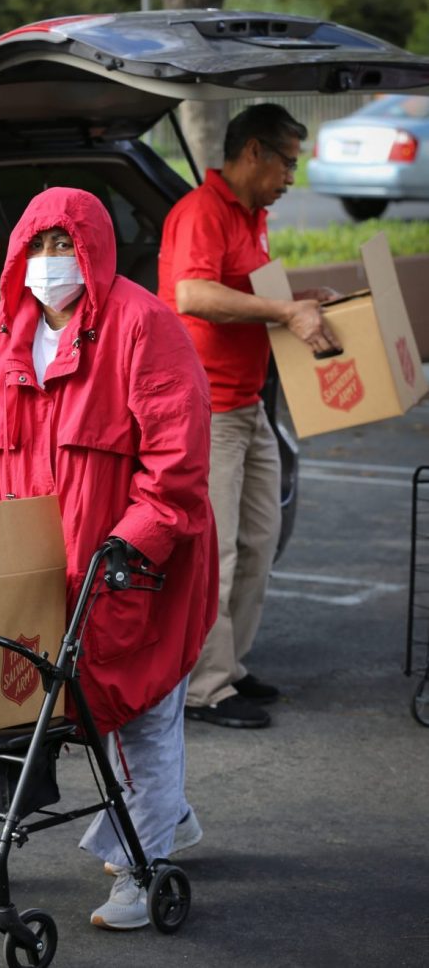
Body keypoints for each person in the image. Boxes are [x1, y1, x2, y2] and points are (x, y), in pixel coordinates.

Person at [0, 185, 218, 930]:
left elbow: (176, 466)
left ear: (93, 251)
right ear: (18, 253)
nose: (51, 262)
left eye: (64, 246)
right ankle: (165, 821)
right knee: (84, 713)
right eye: (38, 246)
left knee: (140, 713)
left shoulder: (143, 327)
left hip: (136, 569)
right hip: (37, 572)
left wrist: (132, 544)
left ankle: (138, 869)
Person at [158, 103, 341, 730]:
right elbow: (193, 294)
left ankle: (229, 666)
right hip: (204, 406)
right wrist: (284, 312)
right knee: (218, 551)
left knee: (259, 541)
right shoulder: (202, 213)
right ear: (254, 152)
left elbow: (248, 293)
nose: (292, 178)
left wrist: (296, 302)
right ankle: (205, 688)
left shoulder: (253, 215)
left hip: (247, 401)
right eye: (287, 162)